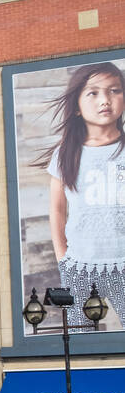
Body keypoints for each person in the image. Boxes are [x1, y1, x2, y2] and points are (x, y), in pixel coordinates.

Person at [37, 62, 125, 328]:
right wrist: (62, 257)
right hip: (81, 266)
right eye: (93, 93)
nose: (105, 100)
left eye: (114, 90)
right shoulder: (66, 153)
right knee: (78, 335)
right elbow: (57, 209)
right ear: (76, 106)